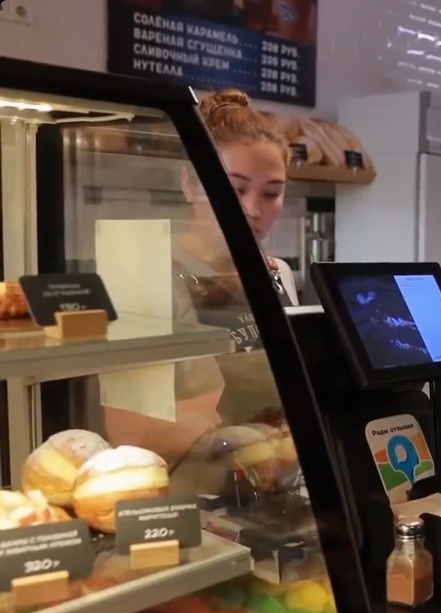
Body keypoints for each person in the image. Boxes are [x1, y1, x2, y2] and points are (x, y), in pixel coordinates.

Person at [103, 88, 298, 492]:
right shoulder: (146, 279)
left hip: (273, 490)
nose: (253, 209)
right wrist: (237, 436)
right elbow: (132, 436)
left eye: (271, 192)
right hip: (184, 497)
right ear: (191, 185)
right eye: (236, 189)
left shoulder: (277, 274)